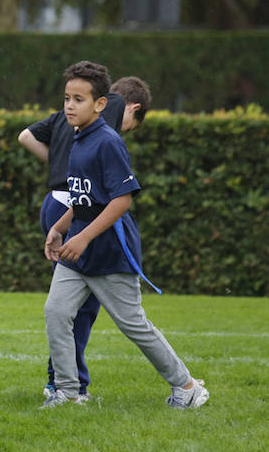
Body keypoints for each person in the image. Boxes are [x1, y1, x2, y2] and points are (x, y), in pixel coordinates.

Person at [41, 61, 208, 409]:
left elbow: (122, 199)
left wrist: (83, 237)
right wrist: (60, 228)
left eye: (78, 100)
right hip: (77, 251)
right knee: (56, 312)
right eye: (67, 98)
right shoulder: (78, 137)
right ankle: (68, 393)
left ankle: (188, 386)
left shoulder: (107, 141)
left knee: (134, 326)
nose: (69, 106)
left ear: (100, 104)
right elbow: (85, 197)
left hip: (109, 251)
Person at [18, 75, 151, 398]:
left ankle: (61, 383)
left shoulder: (71, 117)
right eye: (131, 125)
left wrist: (62, 166)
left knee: (66, 305)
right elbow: (119, 197)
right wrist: (72, 170)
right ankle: (65, 383)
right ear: (133, 108)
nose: (124, 129)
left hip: (56, 204)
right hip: (77, 208)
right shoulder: (108, 113)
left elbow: (25, 136)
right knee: (82, 307)